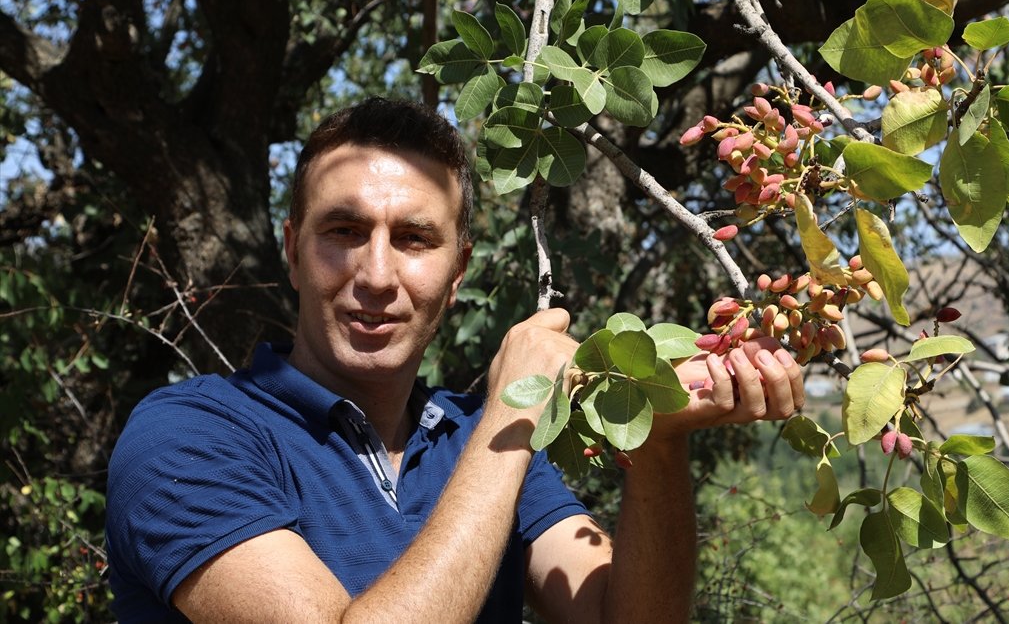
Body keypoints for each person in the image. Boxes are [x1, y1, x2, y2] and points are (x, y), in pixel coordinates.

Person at [105, 97, 805, 623]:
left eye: (413, 239)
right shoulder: (187, 434)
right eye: (344, 231)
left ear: (459, 269)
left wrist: (655, 441)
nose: (376, 274)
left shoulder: (480, 443)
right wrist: (516, 404)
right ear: (292, 248)